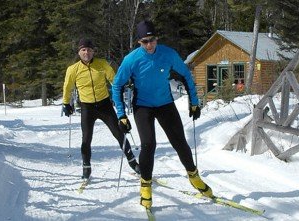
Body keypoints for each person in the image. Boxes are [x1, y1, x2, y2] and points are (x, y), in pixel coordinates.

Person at [111, 20, 213, 209]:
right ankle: (146, 185)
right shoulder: (131, 60)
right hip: (143, 106)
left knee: (180, 142)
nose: (149, 45)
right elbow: (117, 86)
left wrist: (194, 102)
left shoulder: (169, 54)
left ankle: (193, 176)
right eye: (144, 42)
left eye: (152, 40)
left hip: (165, 103)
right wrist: (121, 114)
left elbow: (186, 76)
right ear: (139, 42)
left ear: (156, 38)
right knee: (149, 144)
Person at [62, 38, 140, 180]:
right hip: (87, 107)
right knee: (86, 139)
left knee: (119, 133)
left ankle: (133, 162)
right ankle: (86, 167)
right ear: (79, 52)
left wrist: (121, 87)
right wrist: (66, 103)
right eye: (83, 50)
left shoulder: (102, 64)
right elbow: (67, 87)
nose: (87, 52)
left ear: (93, 52)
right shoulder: (73, 69)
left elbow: (114, 80)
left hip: (104, 105)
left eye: (89, 50)